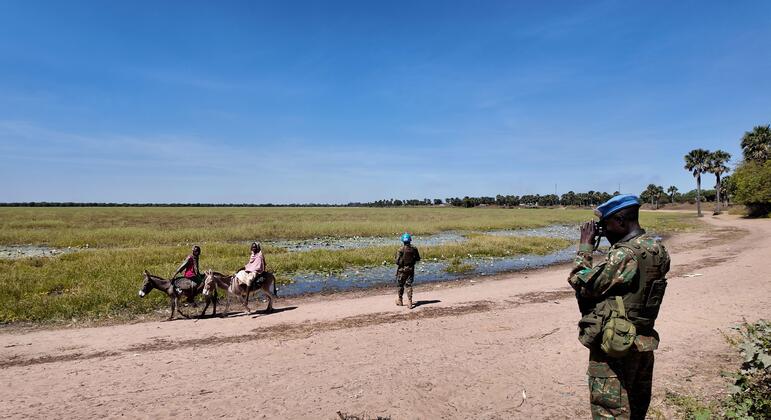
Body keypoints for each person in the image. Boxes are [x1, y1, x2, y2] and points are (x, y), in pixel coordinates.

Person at [568, 194, 670, 420]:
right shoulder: (656, 248)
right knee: (636, 410)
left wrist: (585, 247)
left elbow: (581, 282)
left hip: (615, 345)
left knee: (610, 412)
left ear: (621, 221)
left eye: (606, 225)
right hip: (642, 342)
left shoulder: (624, 255)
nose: (603, 231)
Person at [395, 233, 421, 309]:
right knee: (408, 285)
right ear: (410, 240)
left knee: (400, 285)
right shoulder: (414, 249)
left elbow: (397, 262)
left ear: (403, 241)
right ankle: (410, 302)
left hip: (401, 270)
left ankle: (400, 300)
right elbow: (418, 258)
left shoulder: (400, 249)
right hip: (410, 269)